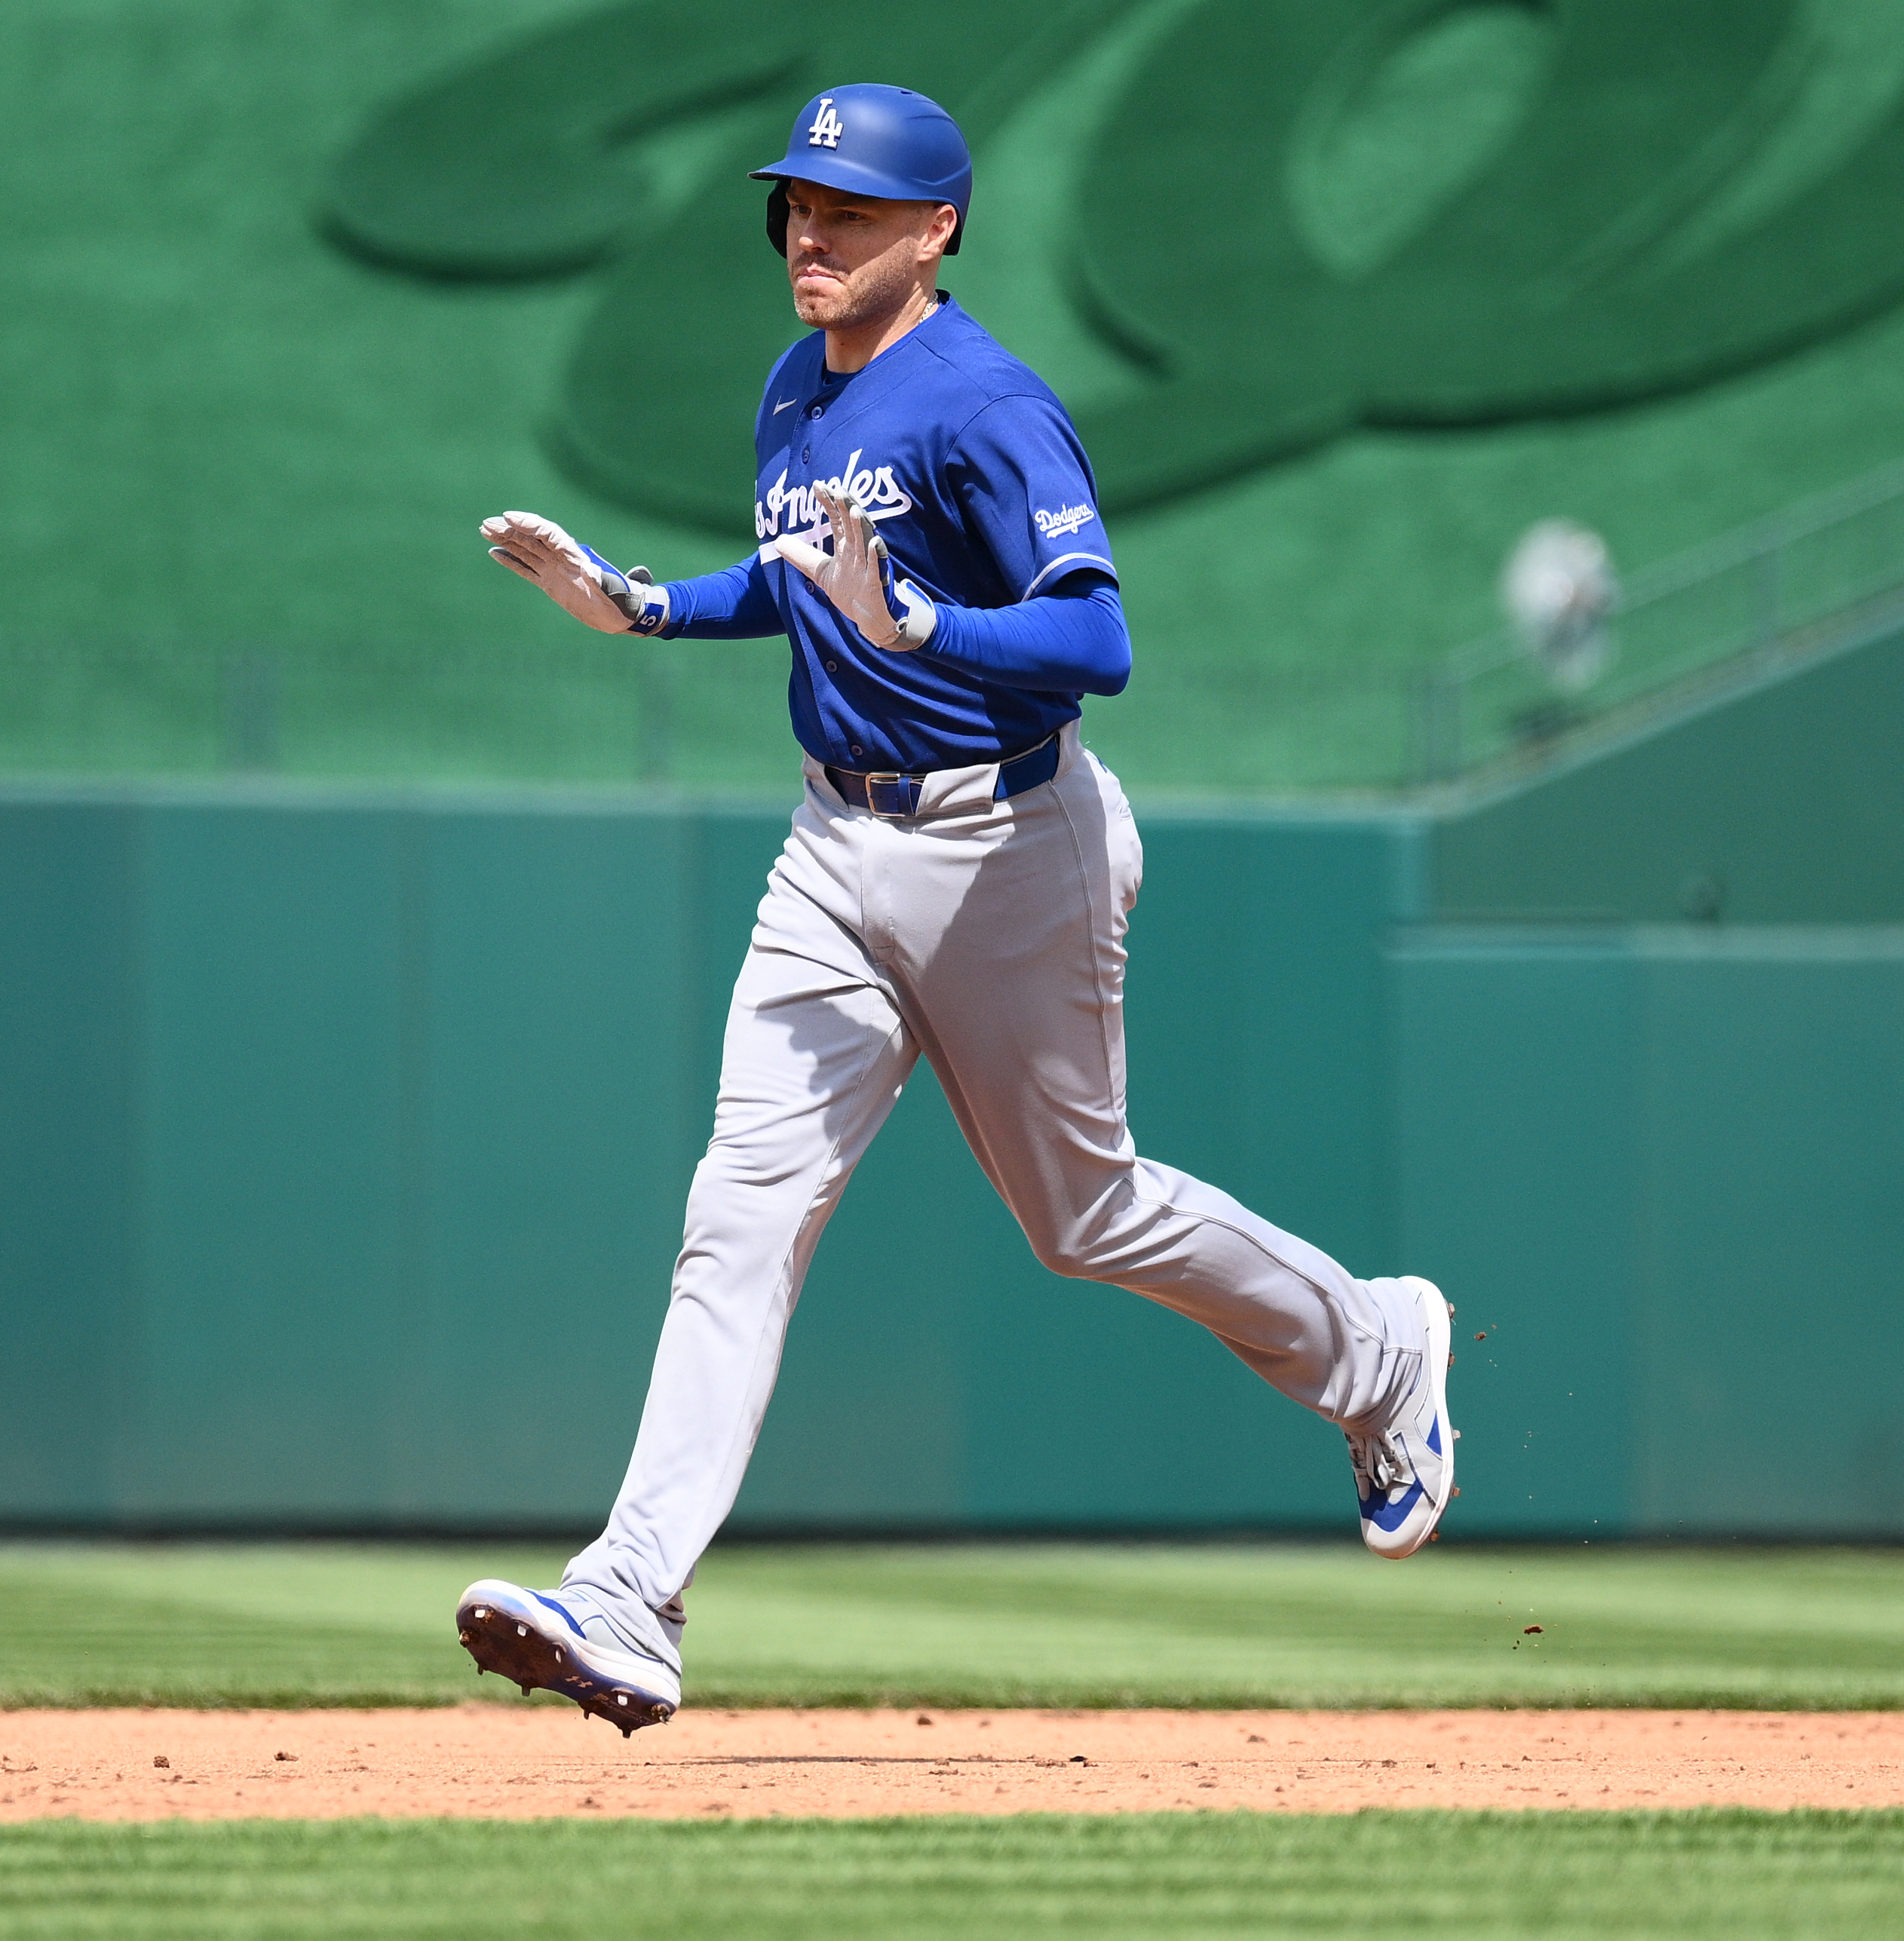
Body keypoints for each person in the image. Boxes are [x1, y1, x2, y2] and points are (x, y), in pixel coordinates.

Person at [455, 84, 1454, 1735]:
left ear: (936, 230)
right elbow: (796, 580)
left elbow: (1094, 640)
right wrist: (643, 607)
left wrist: (926, 625)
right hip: (831, 848)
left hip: (1007, 842)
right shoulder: (797, 384)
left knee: (1085, 1216)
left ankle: (1378, 1351)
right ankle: (630, 1594)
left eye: (847, 211)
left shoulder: (988, 407)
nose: (809, 233)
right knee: (738, 1216)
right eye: (796, 205)